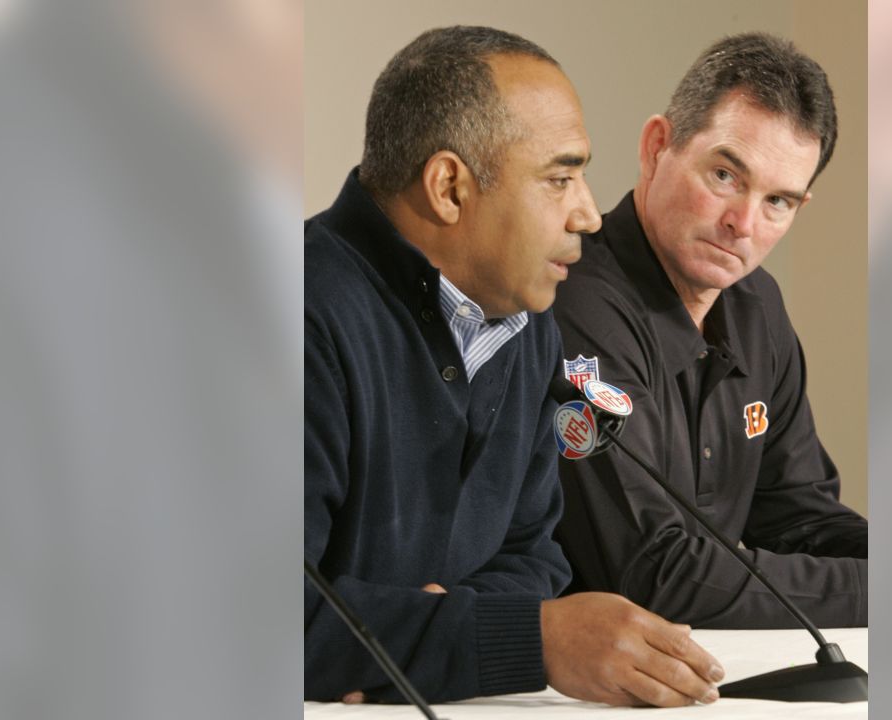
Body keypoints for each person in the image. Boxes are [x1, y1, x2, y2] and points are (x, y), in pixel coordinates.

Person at [305, 26, 723, 707]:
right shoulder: (293, 320)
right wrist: (526, 638)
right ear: (449, 187)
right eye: (560, 178)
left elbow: (535, 554)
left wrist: (444, 627)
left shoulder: (526, 325)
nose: (589, 213)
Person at [552, 33, 868, 629]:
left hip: (717, 676)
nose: (742, 224)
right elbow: (655, 573)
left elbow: (798, 517)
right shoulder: (575, 300)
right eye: (725, 175)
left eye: (778, 201)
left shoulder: (757, 306)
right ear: (656, 148)